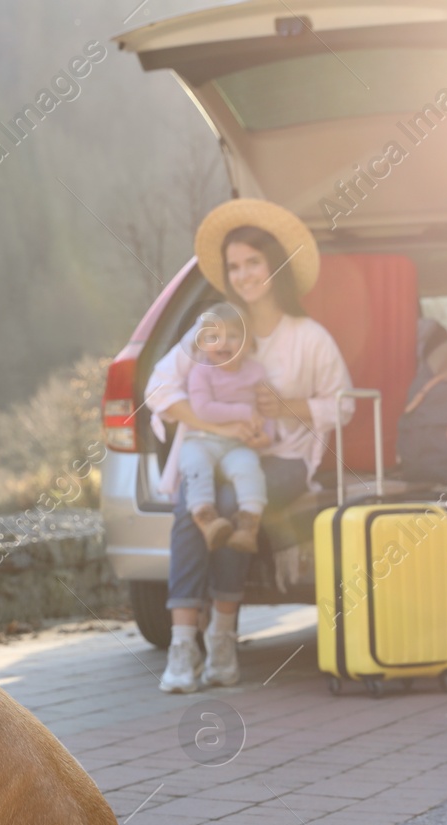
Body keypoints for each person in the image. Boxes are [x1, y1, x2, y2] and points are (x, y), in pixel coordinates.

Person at [144, 199, 353, 693]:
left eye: (252, 262)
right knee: (192, 508)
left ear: (275, 265)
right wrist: (215, 427)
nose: (243, 275)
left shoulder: (310, 338)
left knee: (233, 505)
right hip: (218, 453)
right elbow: (158, 386)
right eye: (234, 266)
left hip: (283, 460)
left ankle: (221, 638)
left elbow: (342, 404)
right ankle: (181, 648)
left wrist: (290, 407)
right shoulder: (216, 327)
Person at [180, 302, 274, 555]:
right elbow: (203, 408)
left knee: (249, 470)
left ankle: (248, 526)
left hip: (238, 444)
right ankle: (206, 521)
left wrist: (267, 435)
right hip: (201, 440)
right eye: (214, 336)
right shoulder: (201, 372)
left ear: (247, 342)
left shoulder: (256, 372)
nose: (223, 343)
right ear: (202, 342)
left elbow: (266, 410)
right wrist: (243, 412)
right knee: (196, 468)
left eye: (232, 336)